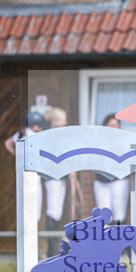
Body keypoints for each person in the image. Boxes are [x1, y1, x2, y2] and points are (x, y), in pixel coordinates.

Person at [40, 107, 81, 255]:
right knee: (54, 211)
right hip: (53, 177)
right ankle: (51, 249)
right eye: (63, 119)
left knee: (56, 211)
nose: (66, 122)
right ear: (55, 121)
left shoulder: (59, 135)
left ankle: (53, 247)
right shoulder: (50, 136)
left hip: (60, 177)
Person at [4, 110, 48, 225]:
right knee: (35, 203)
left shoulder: (21, 133)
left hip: (24, 173)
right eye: (41, 127)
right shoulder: (34, 136)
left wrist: (18, 156)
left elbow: (7, 143)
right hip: (33, 174)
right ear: (35, 126)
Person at [93, 115, 131, 225]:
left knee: (120, 213)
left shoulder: (124, 141)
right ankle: (106, 240)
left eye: (115, 125)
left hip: (119, 180)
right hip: (101, 180)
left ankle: (121, 240)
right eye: (111, 125)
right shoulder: (98, 141)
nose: (113, 128)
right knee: (104, 214)